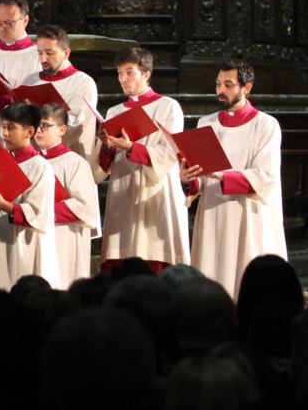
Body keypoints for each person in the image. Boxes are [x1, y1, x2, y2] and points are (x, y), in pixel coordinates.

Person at [184, 60, 287, 297]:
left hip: (247, 217)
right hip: (213, 214)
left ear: (246, 88)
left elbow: (266, 176)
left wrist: (221, 174)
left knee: (246, 286)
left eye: (228, 85)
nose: (221, 90)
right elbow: (201, 179)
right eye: (218, 84)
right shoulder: (205, 123)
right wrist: (189, 179)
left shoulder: (266, 125)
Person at [99, 47, 190, 273]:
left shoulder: (168, 106)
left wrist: (132, 147)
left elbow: (169, 153)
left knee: (156, 260)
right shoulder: (114, 112)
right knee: (121, 263)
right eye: (119, 73)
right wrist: (107, 147)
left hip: (156, 193)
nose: (123, 78)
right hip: (124, 191)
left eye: (129, 72)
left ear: (146, 74)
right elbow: (104, 165)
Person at [0, 101, 59, 291]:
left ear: (29, 132)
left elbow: (39, 212)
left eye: (11, 128)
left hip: (22, 241)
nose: (5, 133)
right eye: (2, 126)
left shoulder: (40, 166)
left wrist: (6, 207)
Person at [19, 25, 100, 176]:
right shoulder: (30, 80)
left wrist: (37, 114)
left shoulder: (83, 83)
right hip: (34, 163)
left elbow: (74, 125)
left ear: (66, 53)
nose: (43, 59)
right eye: (40, 53)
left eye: (49, 53)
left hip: (69, 165)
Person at [35, 103, 100, 289]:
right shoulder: (32, 162)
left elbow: (84, 206)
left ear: (62, 129)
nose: (39, 130)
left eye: (46, 125)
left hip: (65, 237)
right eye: (37, 125)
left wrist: (41, 211)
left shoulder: (75, 163)